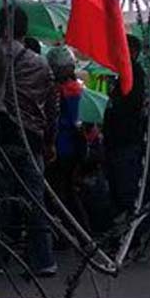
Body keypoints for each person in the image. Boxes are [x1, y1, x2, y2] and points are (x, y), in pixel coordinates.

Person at [0, 5, 58, 276]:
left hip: (1, 134)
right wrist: (49, 141)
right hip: (32, 139)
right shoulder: (42, 63)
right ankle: (43, 259)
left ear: (0, 27)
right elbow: (51, 107)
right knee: (35, 199)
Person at [44, 45, 88, 235]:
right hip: (75, 149)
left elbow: (58, 121)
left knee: (57, 194)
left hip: (60, 148)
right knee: (69, 192)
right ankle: (80, 231)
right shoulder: (80, 90)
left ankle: (68, 233)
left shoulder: (59, 92)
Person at [103, 34, 147, 220]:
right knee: (119, 188)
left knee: (126, 189)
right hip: (117, 142)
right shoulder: (123, 75)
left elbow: (128, 106)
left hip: (126, 141)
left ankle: (131, 230)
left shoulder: (134, 74)